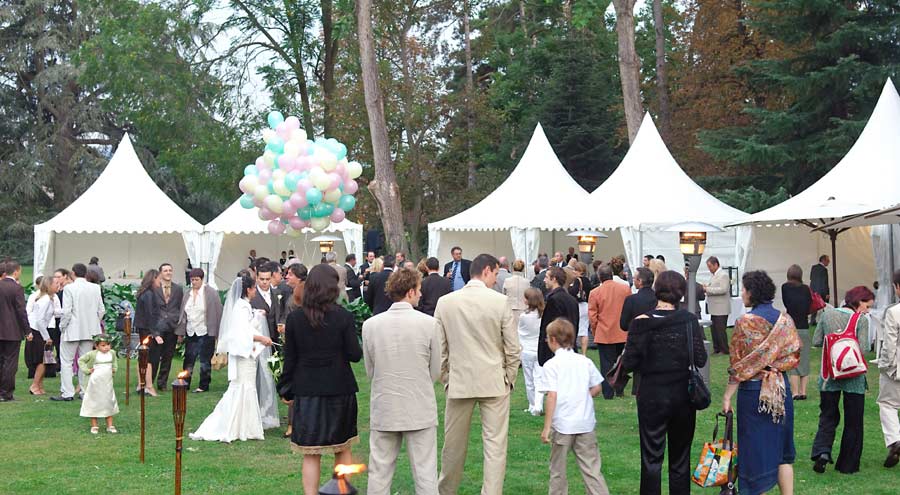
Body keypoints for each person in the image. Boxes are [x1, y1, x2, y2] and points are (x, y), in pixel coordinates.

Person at [435, 254, 520, 495]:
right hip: (492, 381)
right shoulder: (499, 302)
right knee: (494, 447)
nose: (496, 279)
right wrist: (509, 378)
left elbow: (440, 348)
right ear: (486, 270)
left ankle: (446, 491)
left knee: (453, 445)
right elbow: (512, 347)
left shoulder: (446, 302)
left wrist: (446, 377)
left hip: (463, 381)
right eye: (495, 273)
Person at [279, 264, 363, 495]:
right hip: (339, 388)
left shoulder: (295, 319)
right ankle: (342, 491)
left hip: (308, 390)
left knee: (310, 451)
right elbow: (355, 355)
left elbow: (291, 359)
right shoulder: (343, 316)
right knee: (342, 446)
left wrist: (285, 387)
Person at [623, 270, 707, 495]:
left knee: (651, 457)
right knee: (680, 458)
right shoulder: (688, 321)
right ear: (680, 294)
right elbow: (700, 358)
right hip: (682, 396)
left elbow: (629, 363)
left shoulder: (641, 323)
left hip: (652, 395)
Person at [363, 268, 441, 495]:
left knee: (379, 471)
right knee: (425, 472)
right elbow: (435, 369)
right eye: (418, 290)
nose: (420, 295)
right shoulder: (429, 324)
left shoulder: (371, 325)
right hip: (419, 404)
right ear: (409, 291)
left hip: (386, 404)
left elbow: (371, 369)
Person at [722, 270, 799, 495]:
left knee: (754, 450)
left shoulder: (745, 322)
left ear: (751, 293)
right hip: (779, 389)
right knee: (783, 450)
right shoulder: (786, 320)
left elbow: (739, 364)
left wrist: (727, 396)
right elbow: (794, 355)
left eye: (744, 289)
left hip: (755, 391)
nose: (743, 293)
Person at [190, 274, 276, 443]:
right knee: (244, 387)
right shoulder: (242, 307)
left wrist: (257, 317)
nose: (254, 292)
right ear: (249, 289)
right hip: (244, 354)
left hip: (244, 352)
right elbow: (244, 331)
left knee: (245, 387)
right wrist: (262, 339)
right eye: (253, 289)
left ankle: (245, 426)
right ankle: (237, 426)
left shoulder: (242, 306)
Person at [540, 318, 611, 495]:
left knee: (557, 470)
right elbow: (597, 387)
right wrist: (583, 396)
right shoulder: (584, 361)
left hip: (562, 424)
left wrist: (547, 427)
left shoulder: (551, 365)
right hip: (585, 423)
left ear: (553, 340)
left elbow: (552, 395)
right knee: (592, 469)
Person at [811, 285, 874, 475]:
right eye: (867, 306)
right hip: (853, 378)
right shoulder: (860, 320)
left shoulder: (826, 314)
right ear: (858, 302)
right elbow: (863, 349)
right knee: (854, 422)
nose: (868, 310)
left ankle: (822, 451)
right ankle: (848, 465)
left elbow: (816, 341)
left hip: (830, 375)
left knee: (828, 416)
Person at [52, 263, 105, 402]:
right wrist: (93, 323)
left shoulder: (70, 288)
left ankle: (67, 392)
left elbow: (67, 311)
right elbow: (101, 310)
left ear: (73, 273)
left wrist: (62, 327)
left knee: (67, 362)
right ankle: (84, 390)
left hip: (72, 330)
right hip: (89, 330)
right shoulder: (95, 288)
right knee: (85, 362)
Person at [176, 268, 223, 393]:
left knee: (204, 360)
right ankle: (185, 383)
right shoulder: (188, 294)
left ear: (202, 279)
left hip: (206, 331)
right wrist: (180, 333)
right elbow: (182, 314)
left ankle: (203, 385)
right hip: (191, 331)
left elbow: (218, 313)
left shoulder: (211, 293)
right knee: (188, 359)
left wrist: (218, 333)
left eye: (197, 280)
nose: (194, 282)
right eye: (192, 280)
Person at [589, 265, 631, 399]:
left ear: (599, 277)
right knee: (621, 363)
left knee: (606, 364)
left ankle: (608, 393)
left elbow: (593, 317)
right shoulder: (625, 289)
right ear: (612, 274)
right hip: (622, 332)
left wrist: (595, 332)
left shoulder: (595, 293)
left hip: (605, 333)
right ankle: (620, 389)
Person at [878, 270, 900, 468]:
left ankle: (894, 440)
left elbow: (890, 344)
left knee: (887, 404)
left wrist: (886, 366)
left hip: (896, 368)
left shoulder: (894, 312)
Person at [781, 264, 813, 400]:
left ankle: (794, 392)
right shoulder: (806, 289)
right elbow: (809, 305)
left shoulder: (785, 287)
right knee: (804, 360)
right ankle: (803, 391)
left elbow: (786, 303)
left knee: (793, 360)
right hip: (804, 326)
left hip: (791, 327)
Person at [538, 267, 580, 366]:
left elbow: (548, 327)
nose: (544, 280)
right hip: (570, 346)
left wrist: (544, 353)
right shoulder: (572, 300)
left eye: (547, 277)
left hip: (556, 349)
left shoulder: (554, 300)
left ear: (554, 279)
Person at [0, 261, 29, 401]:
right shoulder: (17, 289)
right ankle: (6, 393)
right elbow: (21, 311)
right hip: (11, 332)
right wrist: (27, 330)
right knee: (10, 363)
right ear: (16, 272)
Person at [78, 334, 119, 434]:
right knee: (94, 402)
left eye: (108, 345)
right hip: (95, 382)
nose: (106, 348)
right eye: (103, 345)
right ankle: (94, 425)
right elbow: (81, 360)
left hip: (107, 382)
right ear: (97, 346)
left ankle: (110, 424)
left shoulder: (112, 353)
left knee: (108, 401)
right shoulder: (92, 354)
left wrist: (114, 369)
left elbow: (114, 362)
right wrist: (87, 370)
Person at [152, 263, 183, 391]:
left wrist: (180, 328)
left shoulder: (178, 289)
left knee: (168, 357)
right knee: (154, 356)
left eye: (170, 270)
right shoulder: (154, 288)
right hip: (158, 326)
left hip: (172, 326)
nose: (168, 272)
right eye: (165, 270)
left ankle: (162, 383)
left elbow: (180, 307)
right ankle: (149, 381)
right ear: (160, 273)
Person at [26, 276, 57, 395]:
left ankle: (39, 384)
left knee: (45, 359)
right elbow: (39, 320)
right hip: (38, 331)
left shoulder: (49, 299)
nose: (58, 286)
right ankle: (34, 385)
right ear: (49, 286)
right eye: (55, 284)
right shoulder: (45, 300)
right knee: (42, 360)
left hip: (39, 330)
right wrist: (46, 337)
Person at [519, 288, 545, 416]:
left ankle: (532, 404)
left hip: (527, 350)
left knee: (529, 380)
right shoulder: (543, 315)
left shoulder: (524, 316)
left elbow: (520, 332)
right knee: (539, 378)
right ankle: (538, 405)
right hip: (539, 349)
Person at [46, 268, 71, 378]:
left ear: (65, 276)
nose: (56, 279)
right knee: (55, 343)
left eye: (59, 276)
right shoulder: (57, 291)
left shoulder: (67, 289)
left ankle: (60, 363)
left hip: (62, 319)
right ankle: (54, 364)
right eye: (55, 277)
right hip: (55, 321)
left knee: (61, 344)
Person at [704, 256, 731, 355]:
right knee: (714, 330)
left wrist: (707, 289)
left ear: (716, 264)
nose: (709, 269)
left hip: (721, 308)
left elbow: (723, 289)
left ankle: (724, 349)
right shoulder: (715, 275)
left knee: (720, 330)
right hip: (715, 308)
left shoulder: (723, 275)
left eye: (710, 266)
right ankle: (717, 348)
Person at [250, 261, 282, 345]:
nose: (264, 282)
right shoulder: (251, 296)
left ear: (271, 278)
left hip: (276, 339)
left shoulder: (278, 293)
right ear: (256, 278)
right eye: (262, 279)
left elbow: (281, 314)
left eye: (267, 279)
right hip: (259, 341)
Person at [620, 268, 657, 332]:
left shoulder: (631, 300)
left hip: (637, 337)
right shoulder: (660, 298)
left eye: (634, 278)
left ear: (640, 281)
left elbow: (624, 325)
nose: (633, 280)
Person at [567, 262, 592, 355]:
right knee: (584, 330)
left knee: (575, 328)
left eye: (575, 270)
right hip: (586, 305)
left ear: (578, 271)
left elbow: (573, 292)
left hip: (578, 306)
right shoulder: (587, 280)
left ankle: (573, 350)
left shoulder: (577, 280)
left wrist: (570, 288)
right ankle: (584, 353)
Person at [502, 259, 529, 328]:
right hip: (523, 310)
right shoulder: (527, 282)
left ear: (513, 268)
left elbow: (503, 295)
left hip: (510, 310)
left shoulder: (507, 281)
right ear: (523, 269)